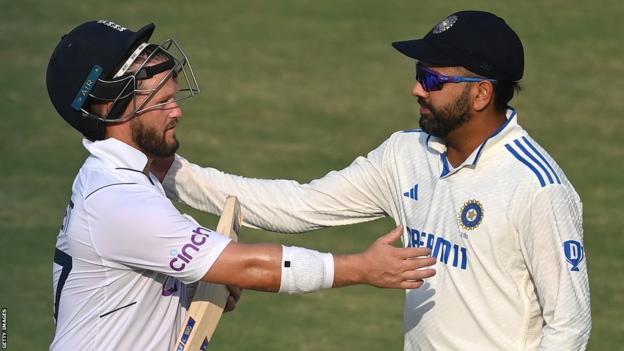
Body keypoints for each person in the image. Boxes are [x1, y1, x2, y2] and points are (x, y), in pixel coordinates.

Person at [154, 10, 592, 350]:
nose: (417, 89)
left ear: (481, 93)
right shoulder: (406, 154)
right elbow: (299, 204)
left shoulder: (538, 188)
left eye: (432, 79)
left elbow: (569, 325)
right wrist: (171, 173)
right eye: (418, 75)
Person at [46, 20, 437, 351]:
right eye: (161, 102)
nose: (177, 111)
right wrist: (360, 268)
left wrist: (200, 288)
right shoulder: (118, 201)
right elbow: (251, 265)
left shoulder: (129, 178)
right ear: (108, 107)